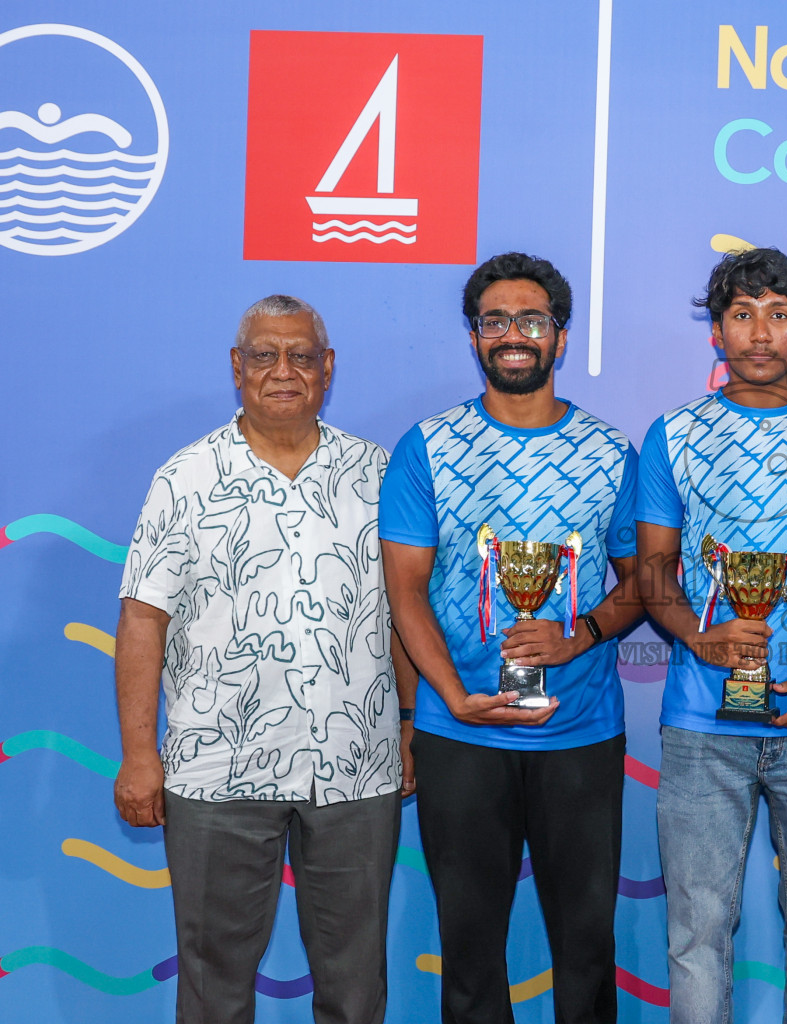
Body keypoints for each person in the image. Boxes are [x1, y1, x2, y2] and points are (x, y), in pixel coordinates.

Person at [114, 295, 409, 1024]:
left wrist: (408, 725)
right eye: (265, 355)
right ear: (237, 367)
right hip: (216, 769)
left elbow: (406, 615)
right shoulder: (184, 477)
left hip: (356, 766)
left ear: (328, 367)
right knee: (213, 985)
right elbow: (142, 620)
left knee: (356, 986)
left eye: (302, 355)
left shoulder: (379, 475)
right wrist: (138, 755)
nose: (284, 370)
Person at [380, 252, 643, 1024]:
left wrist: (578, 636)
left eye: (532, 320)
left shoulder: (608, 453)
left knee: (587, 951)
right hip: (459, 734)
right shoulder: (427, 447)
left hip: (580, 736)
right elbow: (405, 593)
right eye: (495, 321)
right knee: (468, 954)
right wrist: (452, 697)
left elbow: (643, 585)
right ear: (474, 338)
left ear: (560, 336)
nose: (513, 335)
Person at [635, 247, 787, 1022]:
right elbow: (653, 575)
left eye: (778, 314)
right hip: (703, 725)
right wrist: (702, 639)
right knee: (698, 933)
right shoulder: (673, 435)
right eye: (741, 314)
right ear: (718, 331)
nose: (759, 332)